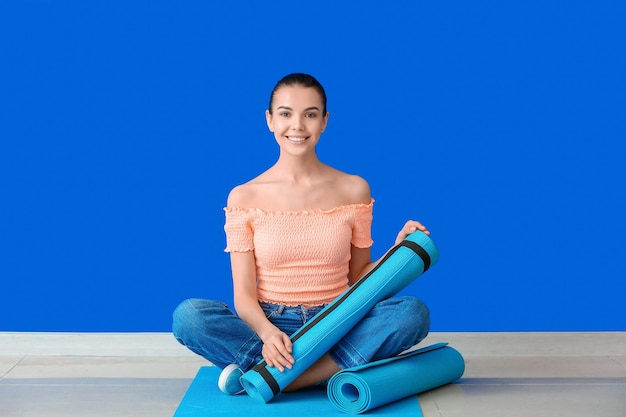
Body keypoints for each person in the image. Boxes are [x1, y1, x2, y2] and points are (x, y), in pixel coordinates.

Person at [172, 73, 431, 396]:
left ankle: (276, 378)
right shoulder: (243, 197)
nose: (297, 126)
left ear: (324, 121)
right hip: (271, 325)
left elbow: (360, 276)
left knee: (411, 313)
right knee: (190, 316)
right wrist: (267, 334)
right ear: (269, 120)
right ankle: (318, 369)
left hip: (338, 320)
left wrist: (398, 253)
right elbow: (243, 295)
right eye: (285, 113)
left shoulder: (354, 189)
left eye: (310, 114)